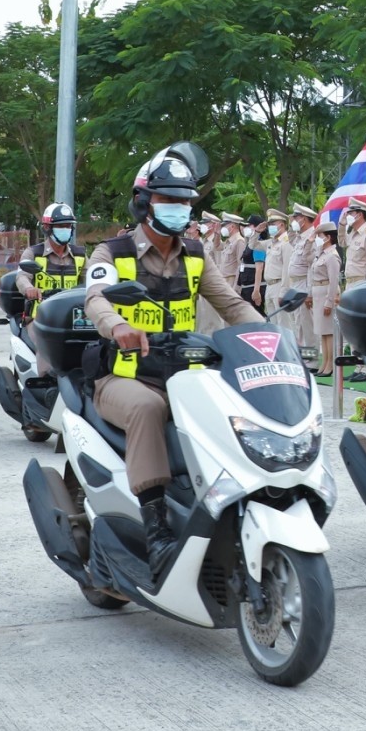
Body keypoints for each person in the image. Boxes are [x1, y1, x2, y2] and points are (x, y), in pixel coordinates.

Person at [82, 147, 261, 581]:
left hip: (186, 375)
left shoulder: (197, 255)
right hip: (124, 376)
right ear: (144, 204)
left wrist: (271, 338)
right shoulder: (113, 251)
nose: (180, 209)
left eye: (185, 202)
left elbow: (233, 305)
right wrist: (117, 326)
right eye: (168, 201)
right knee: (148, 409)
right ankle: (157, 526)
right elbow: (94, 299)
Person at [16, 203, 84, 319]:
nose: (66, 229)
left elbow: (92, 280)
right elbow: (22, 277)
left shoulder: (80, 255)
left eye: (68, 226)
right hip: (40, 317)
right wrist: (29, 289)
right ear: (47, 227)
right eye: (61, 226)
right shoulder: (33, 253)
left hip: (72, 317)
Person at [310, 217, 344, 373]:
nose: (317, 238)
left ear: (328, 237)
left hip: (325, 293)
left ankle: (330, 364)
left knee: (329, 332)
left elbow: (333, 280)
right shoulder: (321, 253)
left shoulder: (332, 256)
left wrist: (329, 302)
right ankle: (325, 363)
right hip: (318, 293)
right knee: (322, 331)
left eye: (320, 235)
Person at [283, 202, 319, 349]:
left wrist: (309, 292)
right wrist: (291, 223)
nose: (294, 221)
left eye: (297, 218)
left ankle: (312, 358)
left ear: (304, 219)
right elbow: (291, 238)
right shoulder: (299, 237)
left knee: (307, 323)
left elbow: (312, 267)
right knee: (299, 322)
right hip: (296, 283)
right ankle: (304, 356)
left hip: (305, 282)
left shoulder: (313, 238)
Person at [342, 200, 366, 293]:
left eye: (351, 213)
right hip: (349, 284)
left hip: (361, 284)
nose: (347, 216)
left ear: (359, 215)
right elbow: (342, 243)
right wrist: (341, 226)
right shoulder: (353, 232)